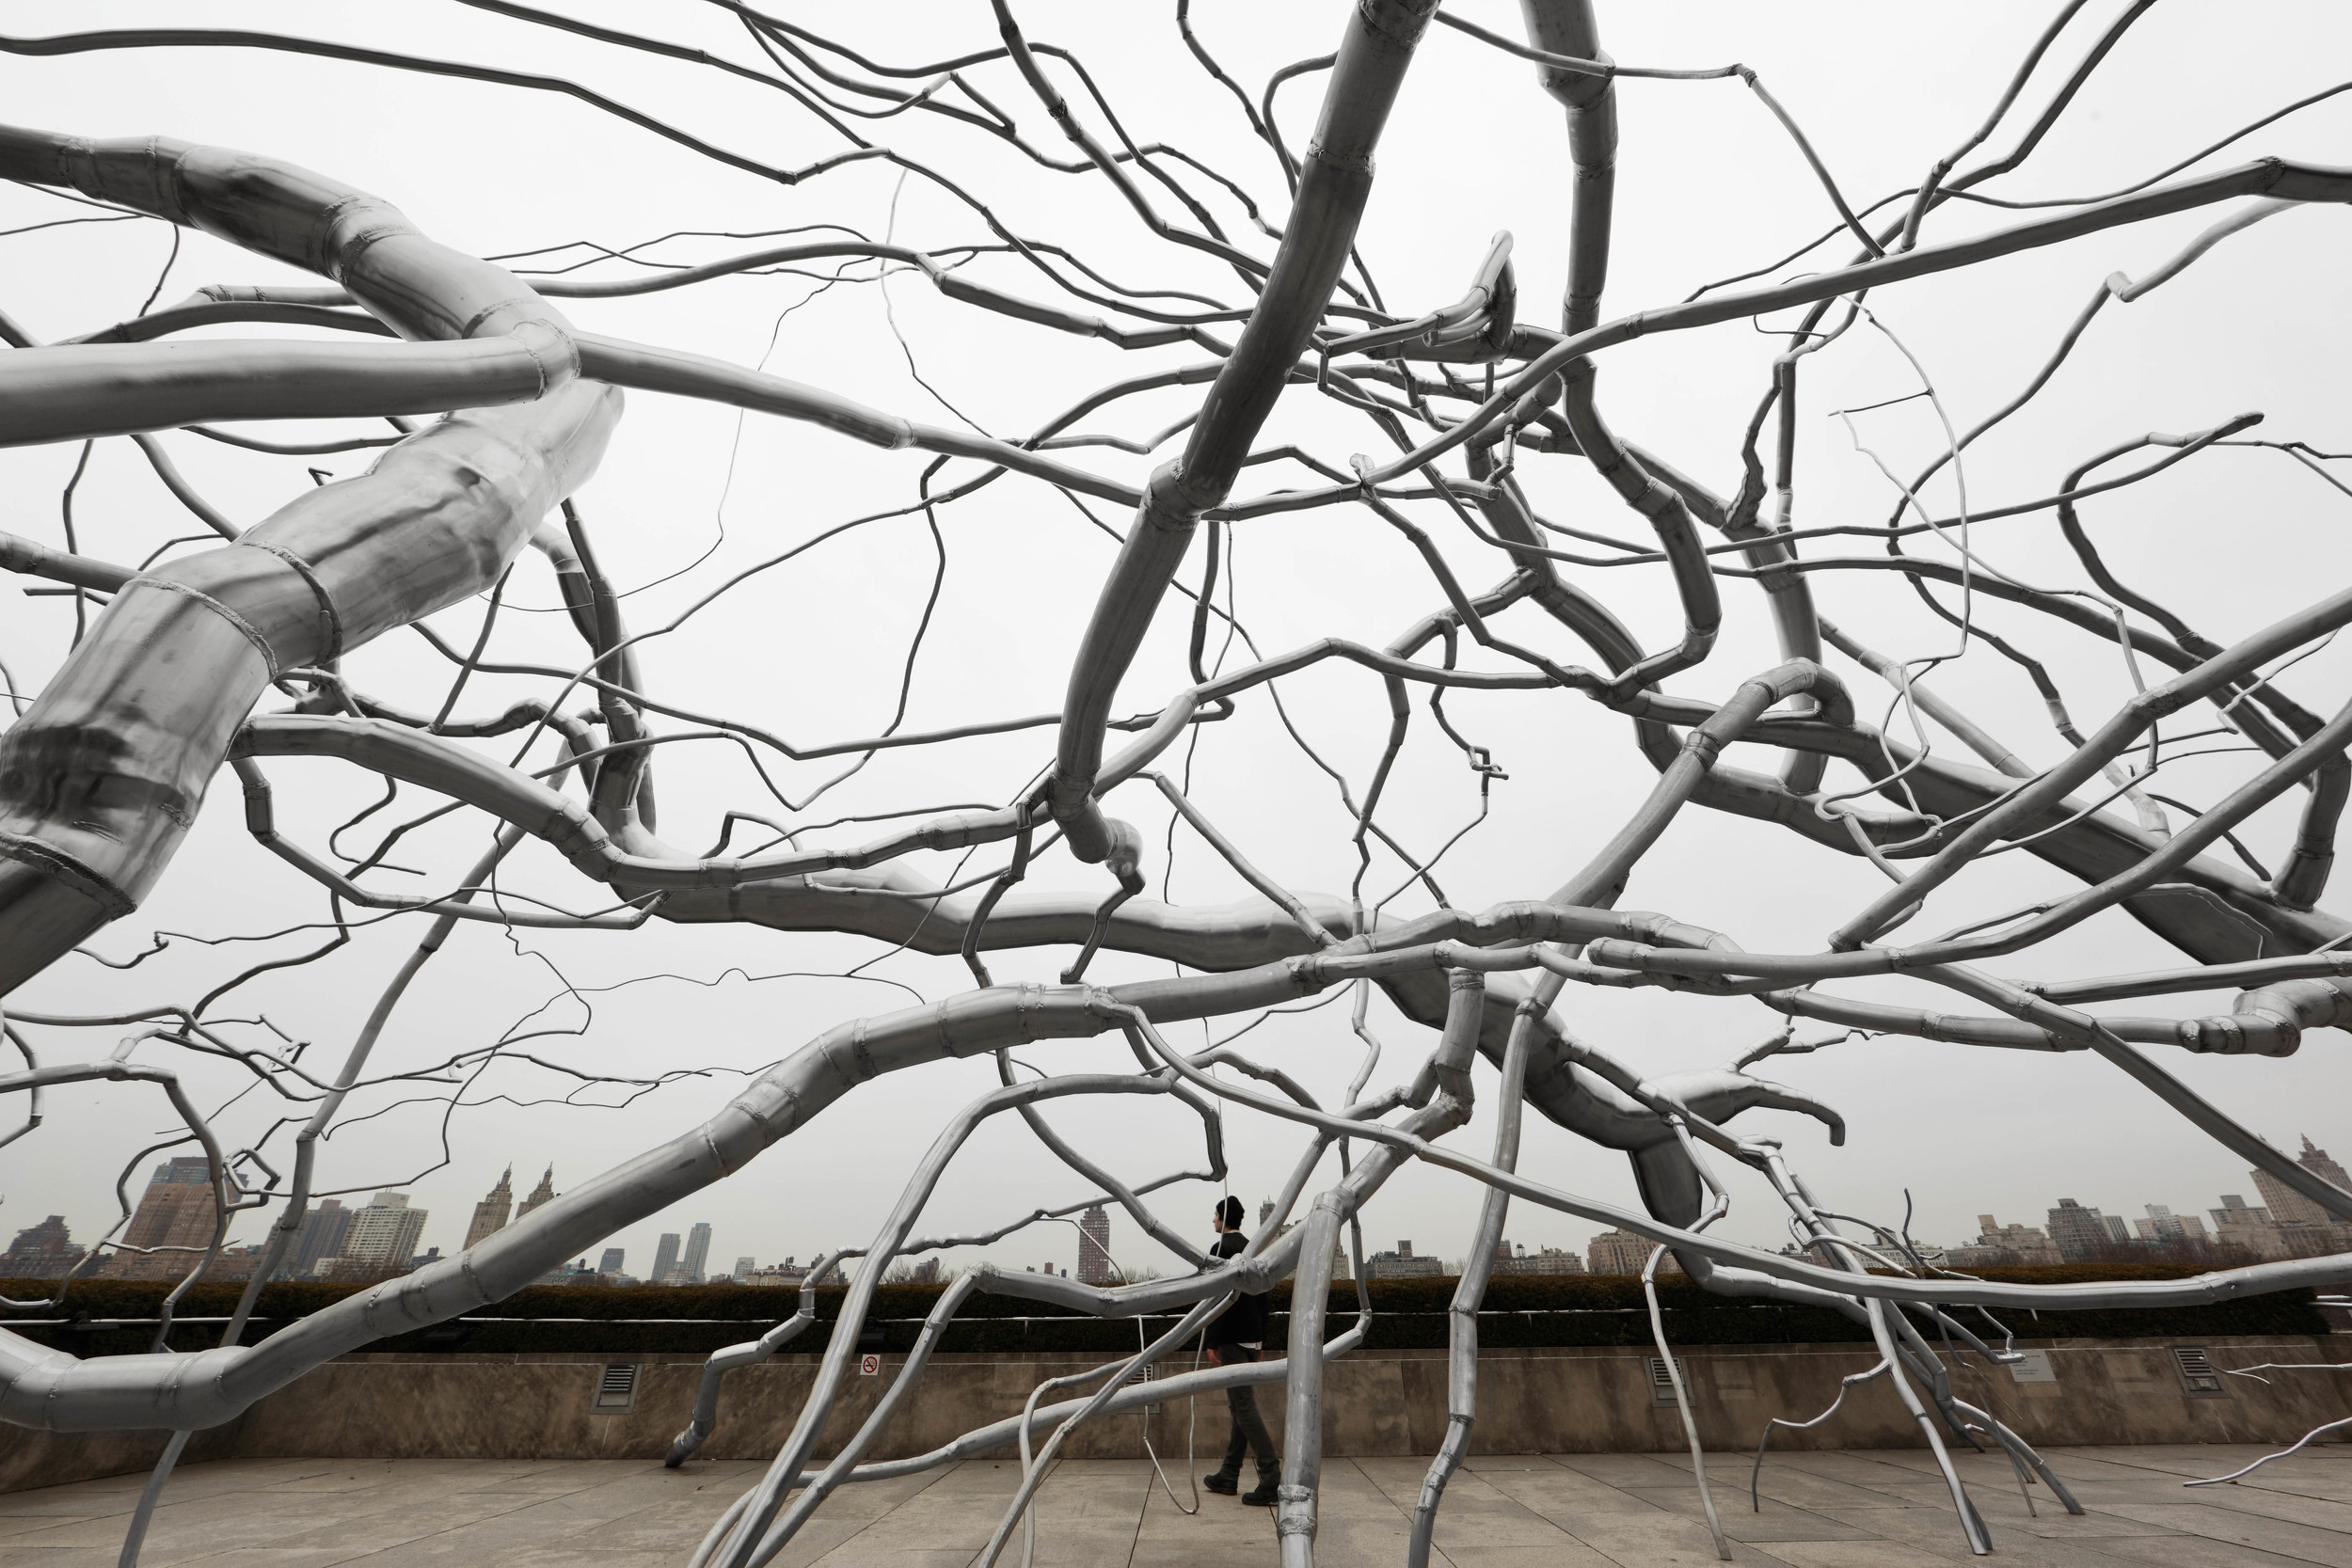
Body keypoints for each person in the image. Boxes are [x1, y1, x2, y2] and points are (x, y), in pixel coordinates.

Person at [1201, 1195, 1279, 1505]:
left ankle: (1271, 1477)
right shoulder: (1252, 1248)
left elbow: (1215, 1298)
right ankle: (1229, 1473)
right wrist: (1261, 1339)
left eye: (1215, 1215)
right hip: (1251, 1338)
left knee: (1244, 1407)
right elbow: (1262, 1295)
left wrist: (1211, 1340)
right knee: (1239, 1408)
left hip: (1231, 1339)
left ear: (1223, 1217)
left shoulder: (1219, 1250)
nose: (1213, 1220)